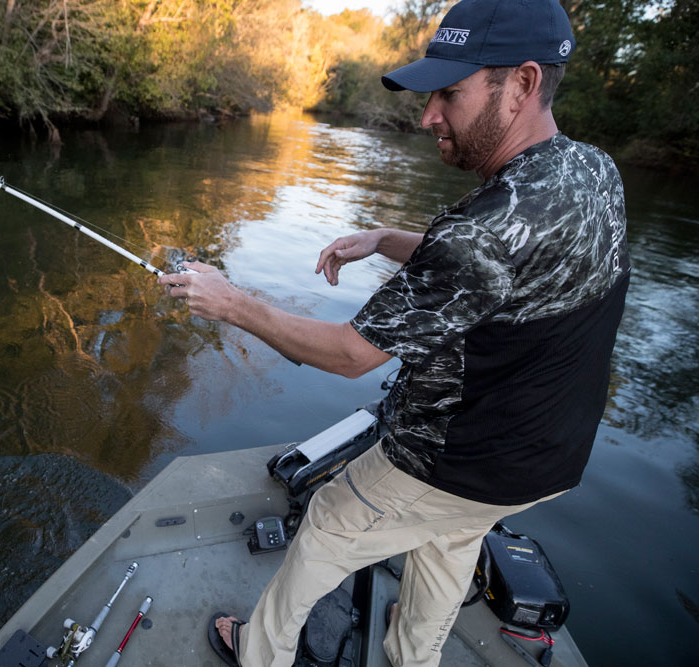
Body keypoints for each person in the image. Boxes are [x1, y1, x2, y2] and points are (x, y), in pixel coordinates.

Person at [157, 0, 630, 665]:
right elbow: (500, 269)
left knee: (330, 519)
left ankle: (260, 651)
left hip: (457, 456)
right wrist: (385, 238)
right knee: (450, 539)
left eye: (451, 92)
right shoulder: (590, 172)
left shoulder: (481, 231)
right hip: (547, 460)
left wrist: (231, 301)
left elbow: (353, 354)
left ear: (522, 83)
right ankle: (414, 658)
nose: (429, 113)